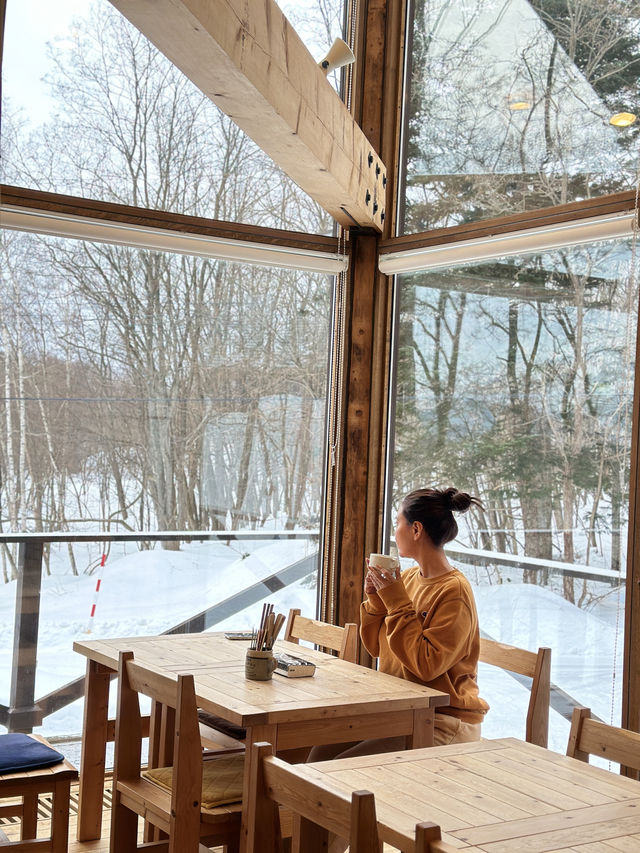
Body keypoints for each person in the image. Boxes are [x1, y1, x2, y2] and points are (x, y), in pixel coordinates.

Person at [308, 486, 489, 762]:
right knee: (318, 756)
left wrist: (396, 602)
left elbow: (426, 666)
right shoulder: (411, 578)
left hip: (443, 719)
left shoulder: (454, 591)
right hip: (405, 709)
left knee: (341, 768)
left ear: (416, 530)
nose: (395, 532)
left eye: (397, 523)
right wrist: (377, 600)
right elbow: (378, 649)